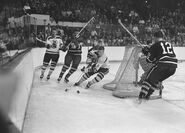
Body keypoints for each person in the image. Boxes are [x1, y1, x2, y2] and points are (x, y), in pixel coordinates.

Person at [139, 30, 178, 100]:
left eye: (154, 38)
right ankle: (148, 95)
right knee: (156, 80)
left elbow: (149, 60)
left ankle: (141, 97)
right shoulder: (169, 44)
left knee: (148, 80)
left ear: (155, 37)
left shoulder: (155, 45)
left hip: (162, 65)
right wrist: (149, 52)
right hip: (173, 68)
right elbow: (160, 57)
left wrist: (146, 53)